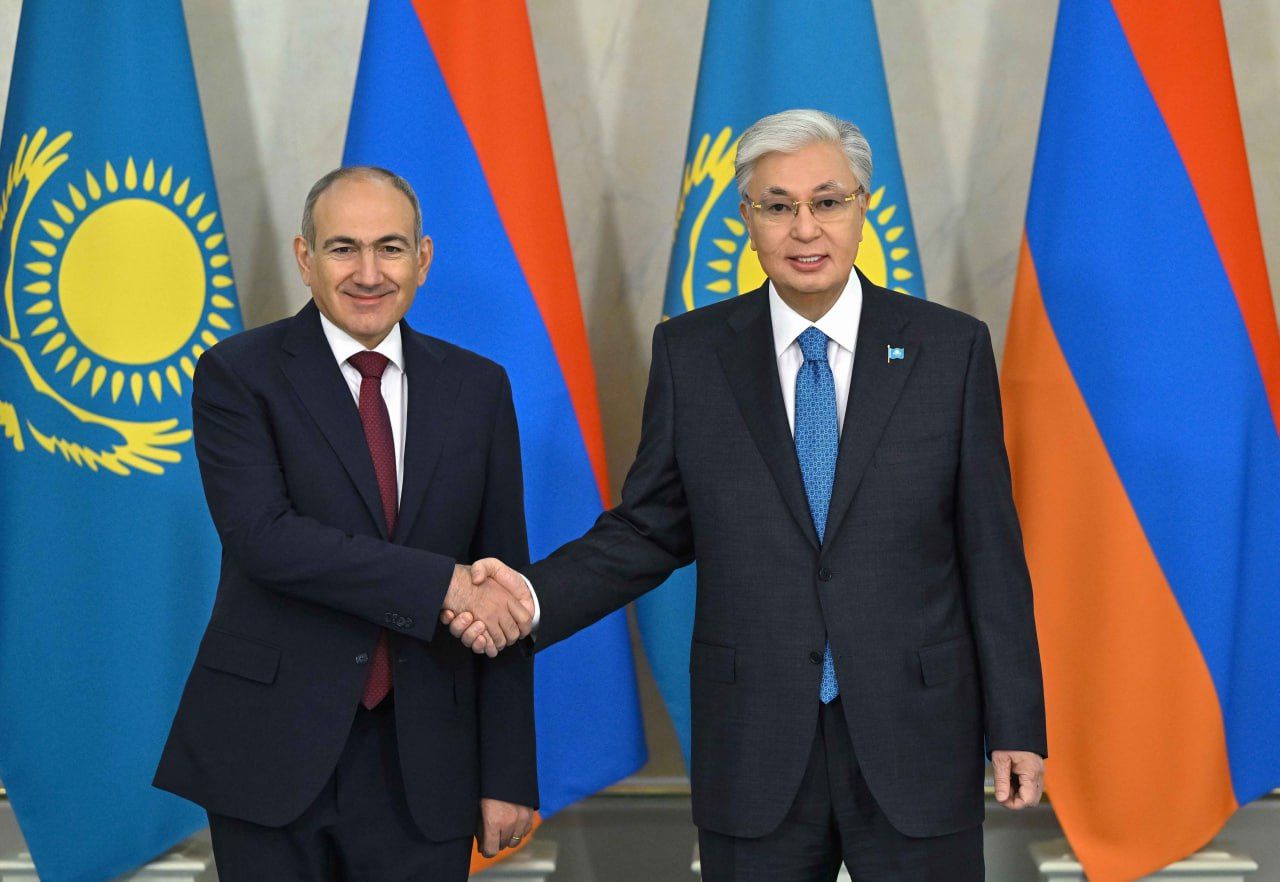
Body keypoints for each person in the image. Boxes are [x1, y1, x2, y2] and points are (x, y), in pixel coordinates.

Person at [448, 110, 1046, 881]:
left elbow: (990, 550)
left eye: (827, 201)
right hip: (756, 744)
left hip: (917, 737)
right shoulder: (692, 353)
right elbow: (649, 530)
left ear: (863, 207)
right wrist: (529, 597)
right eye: (778, 205)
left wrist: (1017, 723)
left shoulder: (949, 349)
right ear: (746, 218)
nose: (805, 228)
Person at [154, 167, 537, 880]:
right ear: (305, 258)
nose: (368, 273)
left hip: (428, 760)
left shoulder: (478, 387)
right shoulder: (239, 374)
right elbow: (266, 539)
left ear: (422, 259)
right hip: (269, 748)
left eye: (390, 248)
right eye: (342, 248)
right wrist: (443, 584)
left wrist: (509, 770)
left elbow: (502, 583)